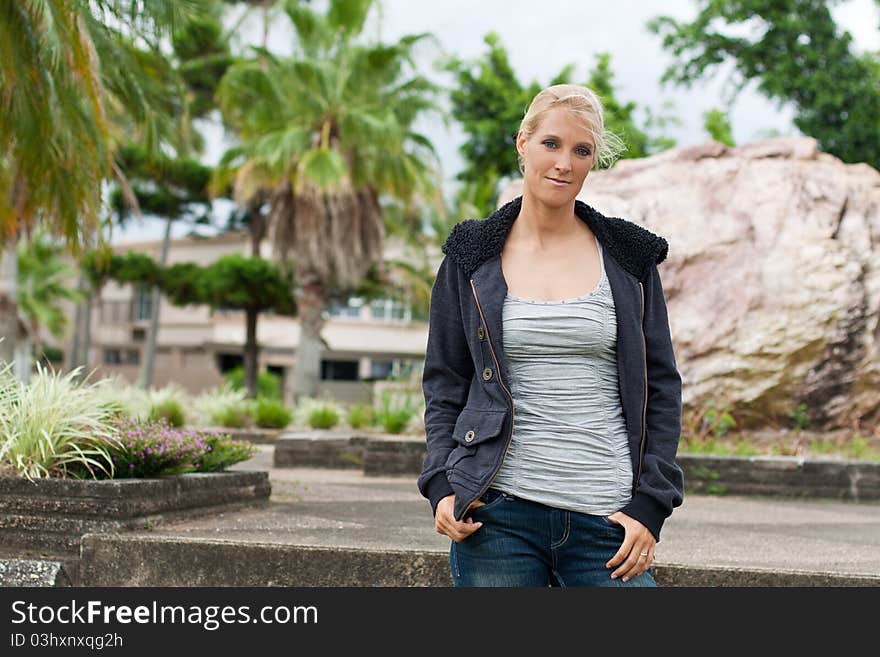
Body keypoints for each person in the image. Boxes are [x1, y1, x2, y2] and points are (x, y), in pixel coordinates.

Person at [417, 84, 684, 587]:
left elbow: (661, 386)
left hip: (607, 521)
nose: (564, 163)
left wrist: (651, 505)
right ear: (523, 143)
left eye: (581, 151)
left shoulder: (629, 258)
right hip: (497, 516)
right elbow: (445, 381)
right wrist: (441, 484)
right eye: (551, 144)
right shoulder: (470, 256)